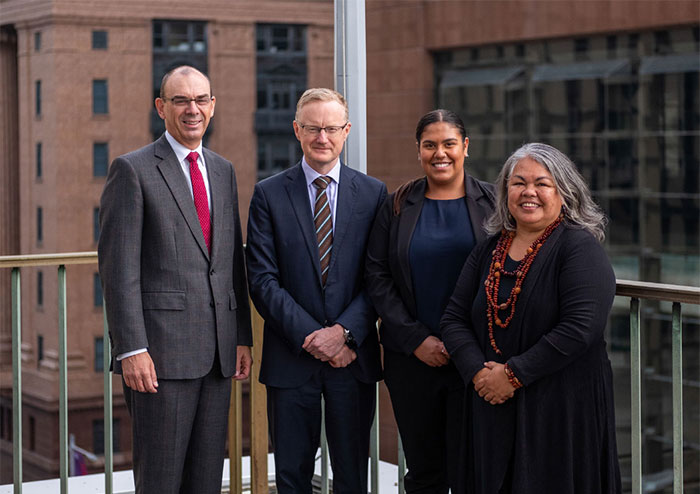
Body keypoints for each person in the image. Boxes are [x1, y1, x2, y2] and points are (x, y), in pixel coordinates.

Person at [98, 65, 252, 494]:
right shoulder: (132, 170)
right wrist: (132, 349)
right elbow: (118, 269)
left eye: (201, 100)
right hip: (160, 358)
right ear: (161, 107)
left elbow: (229, 261)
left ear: (213, 106)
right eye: (181, 100)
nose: (192, 109)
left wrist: (241, 336)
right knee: (161, 481)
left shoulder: (223, 170)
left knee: (206, 481)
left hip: (219, 356)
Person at [441, 142, 622, 493]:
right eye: (518, 182)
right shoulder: (489, 249)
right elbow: (453, 318)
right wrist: (479, 374)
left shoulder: (579, 247)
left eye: (542, 183)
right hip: (491, 402)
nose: (529, 192)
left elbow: (580, 328)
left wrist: (512, 375)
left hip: (559, 410)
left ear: (564, 193)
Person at [246, 88, 387, 494]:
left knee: (351, 477)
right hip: (291, 359)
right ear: (297, 130)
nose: (321, 137)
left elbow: (378, 277)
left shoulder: (374, 194)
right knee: (291, 477)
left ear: (345, 132)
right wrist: (314, 337)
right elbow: (262, 279)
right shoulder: (269, 194)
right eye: (312, 128)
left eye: (330, 128)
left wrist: (343, 333)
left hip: (352, 357)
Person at [365, 109, 494, 493]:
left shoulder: (494, 203)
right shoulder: (396, 205)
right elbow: (377, 275)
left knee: (474, 470)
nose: (441, 153)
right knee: (425, 473)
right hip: (414, 361)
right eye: (430, 145)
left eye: (449, 143)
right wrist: (416, 339)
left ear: (465, 147)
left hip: (477, 359)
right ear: (418, 150)